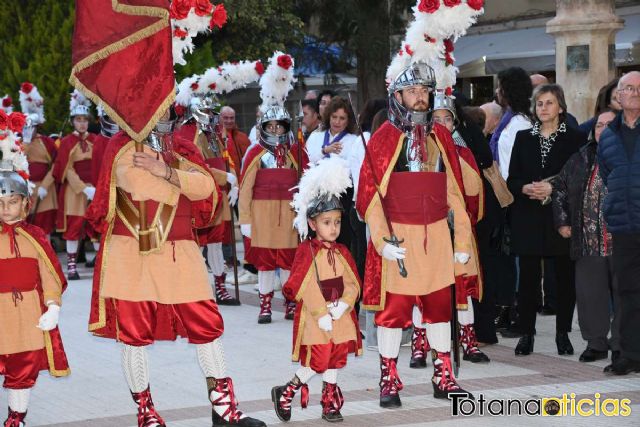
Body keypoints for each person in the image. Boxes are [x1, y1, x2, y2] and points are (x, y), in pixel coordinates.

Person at [85, 112, 265, 427]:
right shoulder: (122, 145)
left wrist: (166, 171)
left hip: (180, 251)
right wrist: (178, 180)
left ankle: (224, 410)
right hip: (131, 253)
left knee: (207, 327)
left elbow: (207, 188)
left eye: (166, 103)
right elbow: (138, 186)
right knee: (133, 334)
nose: (160, 110)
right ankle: (146, 413)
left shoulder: (182, 147)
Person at [357, 61, 473, 405]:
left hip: (437, 239)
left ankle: (444, 376)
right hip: (399, 239)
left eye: (424, 91)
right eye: (412, 91)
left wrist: (462, 241)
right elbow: (369, 197)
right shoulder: (383, 138)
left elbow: (455, 194)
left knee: (439, 309)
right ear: (398, 96)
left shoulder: (441, 137)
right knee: (393, 313)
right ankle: (389, 380)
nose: (419, 97)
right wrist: (381, 241)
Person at [271, 156, 362, 423]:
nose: (333, 228)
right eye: (326, 222)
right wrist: (322, 311)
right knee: (318, 360)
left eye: (336, 222)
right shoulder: (306, 251)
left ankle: (330, 404)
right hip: (316, 317)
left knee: (335, 359)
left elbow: (353, 283)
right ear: (312, 224)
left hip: (340, 316)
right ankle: (286, 392)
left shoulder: (343, 251)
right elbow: (301, 284)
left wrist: (345, 303)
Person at [507, 84, 586, 356]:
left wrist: (554, 188)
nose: (543, 108)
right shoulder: (523, 137)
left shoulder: (575, 139)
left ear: (560, 107)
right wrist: (524, 188)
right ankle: (526, 333)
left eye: (549, 103)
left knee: (564, 277)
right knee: (528, 279)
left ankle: (562, 333)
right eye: (539, 103)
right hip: (528, 216)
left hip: (560, 217)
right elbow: (512, 179)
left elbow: (581, 178)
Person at [0, 117, 70, 427]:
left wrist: (53, 306)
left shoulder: (36, 237)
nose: (5, 209)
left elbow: (49, 273)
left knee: (23, 367)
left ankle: (16, 418)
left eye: (12, 202)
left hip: (27, 313)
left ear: (25, 205)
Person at [239, 52, 308, 324]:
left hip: (289, 215)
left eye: (281, 126)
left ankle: (290, 302)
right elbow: (245, 187)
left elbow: (305, 180)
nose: (276, 130)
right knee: (266, 263)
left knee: (289, 262)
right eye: (271, 126)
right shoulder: (256, 152)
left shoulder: (295, 150)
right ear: (263, 126)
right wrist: (245, 219)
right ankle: (265, 305)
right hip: (263, 216)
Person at [424, 93, 491, 363]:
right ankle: (422, 341)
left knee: (463, 285)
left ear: (454, 124)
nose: (441, 124)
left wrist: (461, 215)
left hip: (458, 229)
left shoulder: (463, 153)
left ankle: (467, 338)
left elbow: (475, 194)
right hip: (428, 230)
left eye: (446, 119)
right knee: (426, 285)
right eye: (436, 119)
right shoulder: (420, 152)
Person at [552, 109, 619, 364]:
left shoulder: (631, 156)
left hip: (623, 241)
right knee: (591, 296)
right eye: (599, 125)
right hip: (588, 242)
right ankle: (596, 343)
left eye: (610, 124)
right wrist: (562, 222)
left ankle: (623, 344)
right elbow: (559, 187)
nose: (603, 129)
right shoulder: (581, 157)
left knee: (627, 295)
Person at [174, 95, 240, 306]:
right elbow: (197, 167)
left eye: (213, 112)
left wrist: (232, 181)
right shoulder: (188, 134)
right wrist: (225, 177)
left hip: (218, 193)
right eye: (208, 112)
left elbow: (222, 160)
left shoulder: (214, 134)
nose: (211, 116)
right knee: (196, 243)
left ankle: (219, 287)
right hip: (201, 194)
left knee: (216, 242)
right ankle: (195, 287)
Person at [598, 70, 640, 375]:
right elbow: (605, 174)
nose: (634, 94)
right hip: (624, 226)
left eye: (639, 89)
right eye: (628, 89)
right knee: (625, 291)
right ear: (618, 95)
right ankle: (628, 354)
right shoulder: (608, 134)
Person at [52, 90, 99, 280]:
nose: (82, 123)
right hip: (76, 191)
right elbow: (67, 169)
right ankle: (72, 266)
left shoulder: (96, 140)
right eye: (78, 120)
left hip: (94, 189)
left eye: (85, 120)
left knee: (97, 227)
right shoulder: (66, 142)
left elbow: (101, 163)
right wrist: (83, 188)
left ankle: (99, 264)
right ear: (73, 121)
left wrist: (96, 188)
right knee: (74, 227)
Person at [18, 82, 58, 238]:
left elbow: (56, 164)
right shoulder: (17, 143)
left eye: (32, 127)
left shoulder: (47, 142)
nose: (29, 130)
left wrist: (46, 186)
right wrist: (26, 141)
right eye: (26, 127)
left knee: (45, 228)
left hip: (44, 190)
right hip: (25, 190)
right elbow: (17, 161)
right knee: (26, 227)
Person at [220, 106, 252, 178]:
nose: (229, 121)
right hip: (226, 180)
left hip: (244, 179)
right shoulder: (216, 138)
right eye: (226, 118)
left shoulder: (243, 137)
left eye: (231, 118)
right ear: (220, 118)